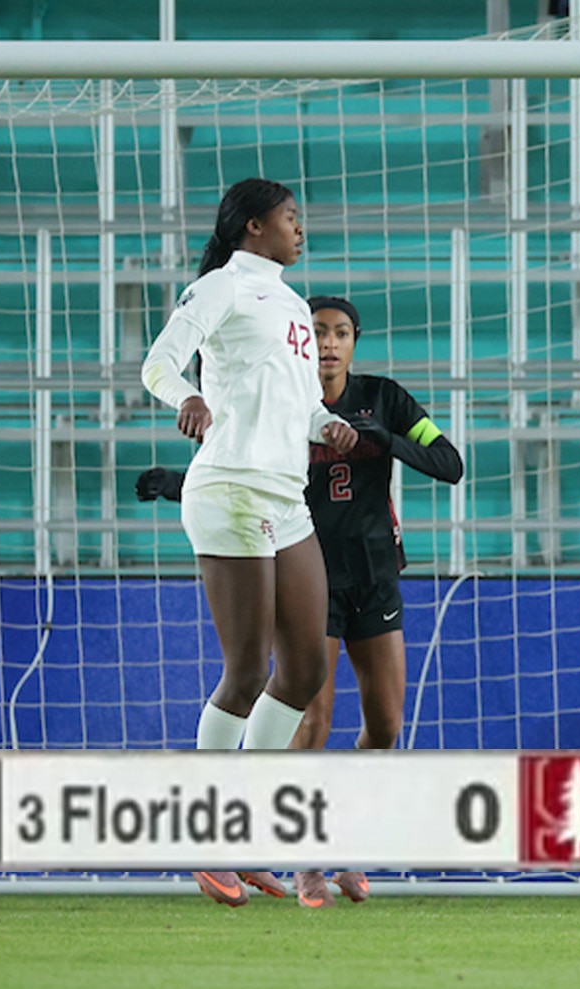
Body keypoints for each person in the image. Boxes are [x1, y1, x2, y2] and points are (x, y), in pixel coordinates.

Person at [138, 295, 464, 908]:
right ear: (298, 340)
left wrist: (386, 438)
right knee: (310, 715)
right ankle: (306, 859)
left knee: (386, 725)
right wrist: (175, 483)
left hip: (375, 576)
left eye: (342, 333)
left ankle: (345, 837)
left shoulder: (385, 397)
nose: (330, 343)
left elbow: (450, 462)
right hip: (307, 574)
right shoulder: (280, 400)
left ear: (355, 342)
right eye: (317, 332)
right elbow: (242, 476)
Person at [140, 177, 359, 908]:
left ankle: (247, 833)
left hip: (283, 494)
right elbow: (159, 364)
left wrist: (323, 428)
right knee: (245, 670)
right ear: (255, 225)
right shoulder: (219, 288)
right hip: (227, 486)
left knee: (301, 670)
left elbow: (292, 405)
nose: (302, 227)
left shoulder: (294, 304)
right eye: (292, 217)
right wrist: (188, 398)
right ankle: (208, 839)